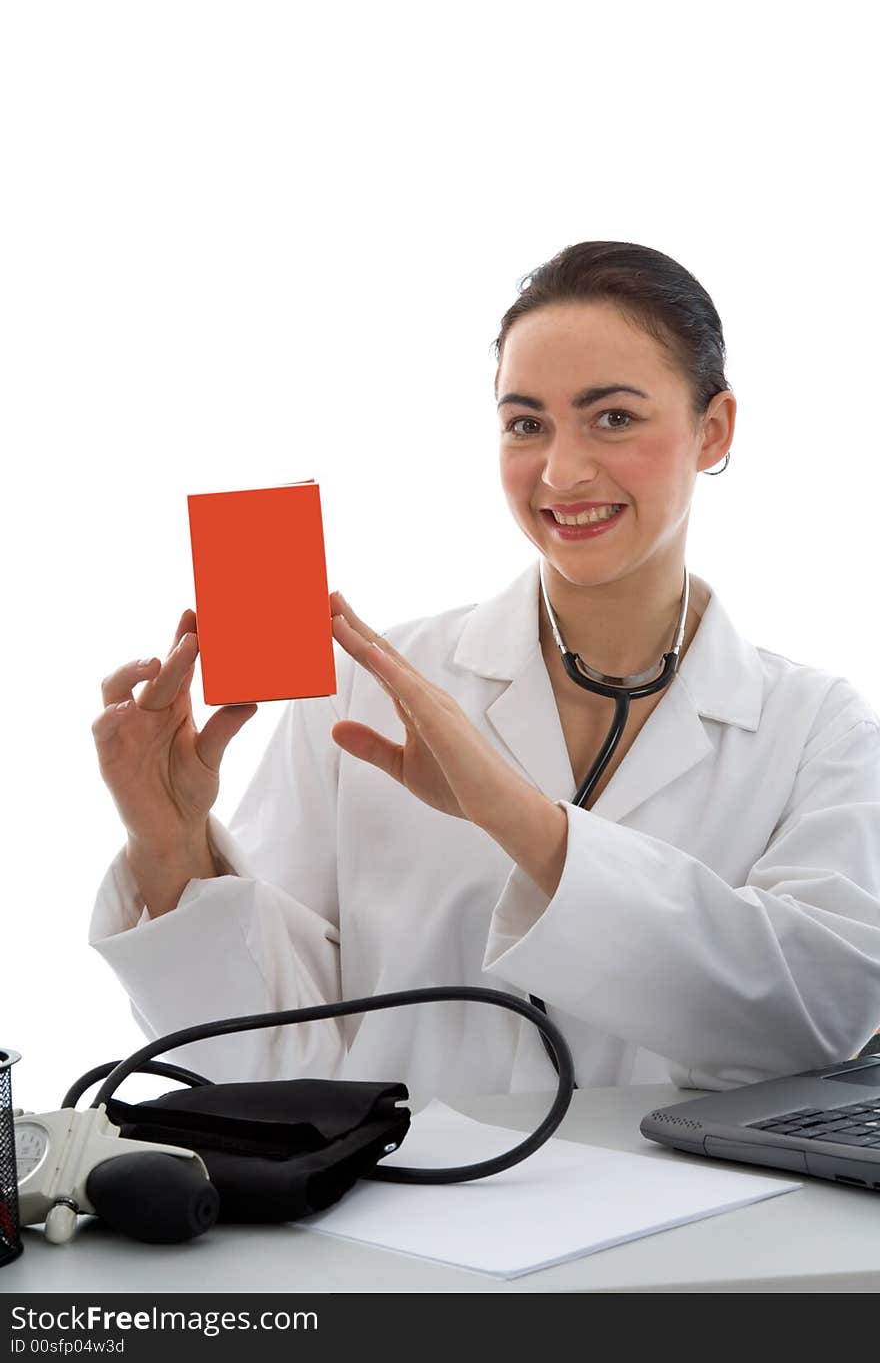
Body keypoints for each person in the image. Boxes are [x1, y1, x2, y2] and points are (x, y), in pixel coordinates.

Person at [89, 241, 880, 1108]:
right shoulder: (360, 695)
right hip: (393, 1221)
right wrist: (169, 846)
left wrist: (519, 821)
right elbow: (261, 1059)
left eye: (613, 418)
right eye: (526, 423)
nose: (562, 471)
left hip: (681, 1233)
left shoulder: (816, 730)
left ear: (713, 428)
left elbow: (816, 1016)